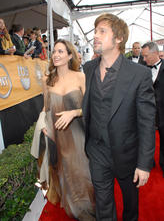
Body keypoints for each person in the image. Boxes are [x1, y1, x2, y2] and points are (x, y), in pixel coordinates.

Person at [82, 13, 156, 221]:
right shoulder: (88, 69)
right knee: (103, 207)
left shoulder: (138, 74)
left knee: (130, 205)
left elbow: (147, 122)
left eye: (102, 31)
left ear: (118, 39)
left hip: (128, 154)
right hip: (96, 151)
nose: (95, 36)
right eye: (95, 31)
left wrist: (144, 163)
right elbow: (86, 106)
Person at [31, 39, 95, 221]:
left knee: (84, 176)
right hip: (56, 137)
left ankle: (90, 212)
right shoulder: (47, 79)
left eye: (61, 51)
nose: (56, 55)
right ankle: (76, 213)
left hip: (79, 136)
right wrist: (43, 125)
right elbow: (45, 108)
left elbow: (91, 108)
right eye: (54, 52)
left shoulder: (80, 77)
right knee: (65, 175)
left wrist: (74, 112)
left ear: (69, 55)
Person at [142, 41, 164, 177]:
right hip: (146, 112)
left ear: (155, 53)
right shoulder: (142, 70)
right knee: (146, 138)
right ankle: (147, 163)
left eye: (146, 56)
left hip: (162, 112)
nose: (144, 59)